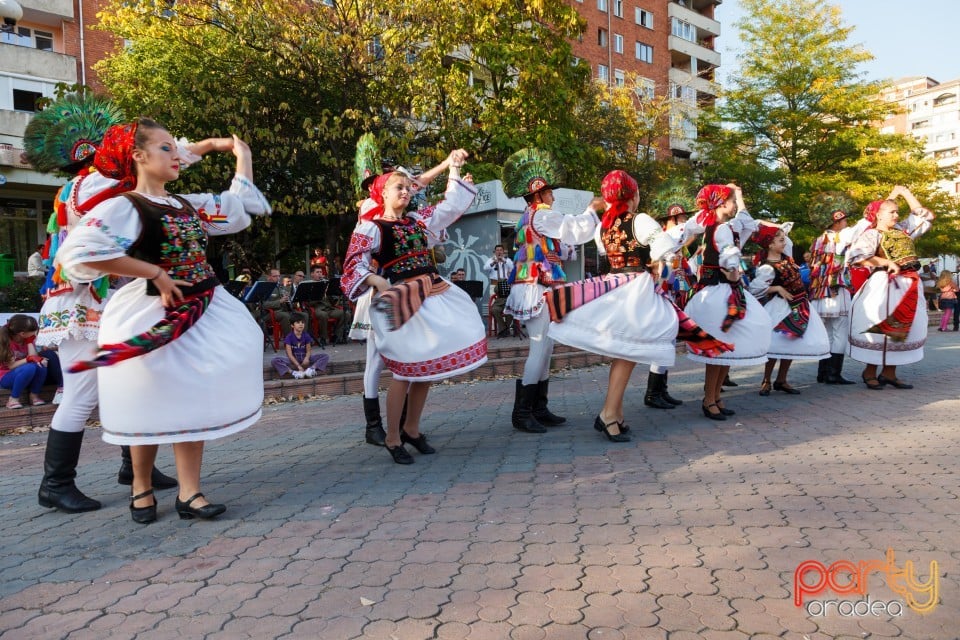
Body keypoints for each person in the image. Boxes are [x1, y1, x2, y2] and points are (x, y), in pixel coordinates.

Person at [58, 117, 271, 523]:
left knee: (191, 398)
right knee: (148, 401)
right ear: (138, 156)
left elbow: (239, 212)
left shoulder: (185, 203)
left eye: (176, 148)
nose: (178, 155)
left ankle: (190, 492)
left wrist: (243, 156)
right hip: (150, 312)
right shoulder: (124, 206)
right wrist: (153, 272)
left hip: (204, 309)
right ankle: (141, 486)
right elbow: (76, 255)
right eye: (166, 148)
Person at [26, 93, 190, 513]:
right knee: (81, 393)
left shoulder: (88, 187)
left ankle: (135, 468)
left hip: (105, 300)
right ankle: (55, 483)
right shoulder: (90, 183)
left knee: (132, 381)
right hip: (82, 301)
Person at [546, 170, 732, 441]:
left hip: (614, 286)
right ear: (632, 195)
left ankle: (615, 413)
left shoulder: (603, 225)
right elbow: (663, 253)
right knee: (628, 351)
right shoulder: (640, 220)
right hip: (637, 288)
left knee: (625, 352)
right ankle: (608, 414)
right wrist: (666, 266)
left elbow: (607, 253)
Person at [342, 149, 484, 464]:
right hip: (401, 300)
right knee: (404, 371)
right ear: (382, 193)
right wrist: (377, 282)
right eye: (399, 187)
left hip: (429, 293)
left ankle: (412, 429)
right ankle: (392, 438)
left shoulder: (418, 221)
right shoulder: (372, 227)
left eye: (408, 188)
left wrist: (454, 170)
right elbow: (352, 266)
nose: (406, 192)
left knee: (425, 369)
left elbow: (449, 206)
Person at [500, 148, 602, 434]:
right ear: (538, 195)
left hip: (541, 284)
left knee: (547, 347)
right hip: (535, 286)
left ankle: (537, 408)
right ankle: (522, 413)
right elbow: (573, 230)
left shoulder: (533, 217)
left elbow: (563, 248)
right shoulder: (542, 215)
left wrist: (558, 252)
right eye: (549, 193)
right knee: (540, 347)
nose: (553, 197)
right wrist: (592, 211)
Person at [680, 184, 772, 420]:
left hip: (723, 291)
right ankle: (709, 399)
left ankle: (715, 398)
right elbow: (729, 258)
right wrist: (733, 273)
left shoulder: (725, 226)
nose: (734, 206)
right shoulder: (721, 229)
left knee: (725, 346)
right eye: (731, 201)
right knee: (718, 349)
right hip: (718, 292)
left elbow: (747, 222)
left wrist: (739, 196)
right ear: (722, 203)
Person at [847, 186, 934, 389]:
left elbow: (923, 216)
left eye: (897, 211)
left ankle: (889, 373)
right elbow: (858, 257)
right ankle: (869, 371)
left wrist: (904, 192)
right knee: (882, 325)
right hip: (885, 285)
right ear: (878, 214)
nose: (896, 214)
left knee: (904, 327)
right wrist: (885, 262)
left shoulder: (903, 231)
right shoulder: (872, 234)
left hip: (910, 284)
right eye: (891, 211)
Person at [749, 224, 830, 396]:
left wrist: (776, 228)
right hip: (780, 307)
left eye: (783, 239)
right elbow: (754, 289)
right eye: (780, 240)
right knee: (774, 345)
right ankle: (766, 380)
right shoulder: (767, 267)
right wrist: (776, 289)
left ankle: (781, 380)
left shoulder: (788, 258)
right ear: (770, 245)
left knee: (791, 343)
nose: (784, 242)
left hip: (799, 304)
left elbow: (786, 236)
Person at [807, 191, 871, 385]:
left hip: (819, 290)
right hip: (835, 288)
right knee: (839, 331)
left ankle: (822, 373)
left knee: (826, 331)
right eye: (844, 221)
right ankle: (833, 374)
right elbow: (861, 226)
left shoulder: (819, 239)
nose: (846, 224)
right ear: (837, 222)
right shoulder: (840, 236)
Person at [1, 315, 51, 409]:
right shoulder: (7, 342)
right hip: (6, 376)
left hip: (24, 372)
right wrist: (29, 359)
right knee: (30, 367)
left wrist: (29, 342)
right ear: (22, 333)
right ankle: (13, 399)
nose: (35, 333)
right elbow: (11, 366)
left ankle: (34, 396)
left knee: (40, 364)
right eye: (33, 331)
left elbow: (33, 357)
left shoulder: (27, 339)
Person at [271, 312, 330, 378]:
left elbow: (308, 351)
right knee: (275, 360)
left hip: (304, 357)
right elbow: (289, 355)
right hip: (293, 359)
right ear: (292, 325)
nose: (301, 324)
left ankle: (311, 369)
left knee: (325, 356)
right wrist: (298, 366)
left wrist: (307, 359)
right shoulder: (289, 337)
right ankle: (294, 373)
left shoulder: (306, 336)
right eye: (298, 323)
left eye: (302, 322)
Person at [483, 244, 515, 338]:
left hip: (506, 285)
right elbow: (485, 268)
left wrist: (503, 261)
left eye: (501, 250)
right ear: (495, 252)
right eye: (497, 250)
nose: (499, 252)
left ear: (503, 251)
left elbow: (512, 268)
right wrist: (494, 262)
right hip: (494, 285)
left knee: (509, 306)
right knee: (494, 306)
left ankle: (506, 328)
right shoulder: (491, 260)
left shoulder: (507, 260)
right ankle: (497, 328)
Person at [262, 268, 292, 337]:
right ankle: (290, 341)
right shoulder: (264, 287)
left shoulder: (280, 286)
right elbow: (264, 305)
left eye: (279, 276)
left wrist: (289, 301)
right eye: (275, 276)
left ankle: (304, 339)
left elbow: (286, 301)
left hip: (283, 311)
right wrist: (280, 301)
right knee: (285, 316)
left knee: (303, 315)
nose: (278, 278)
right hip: (269, 313)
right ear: (268, 277)